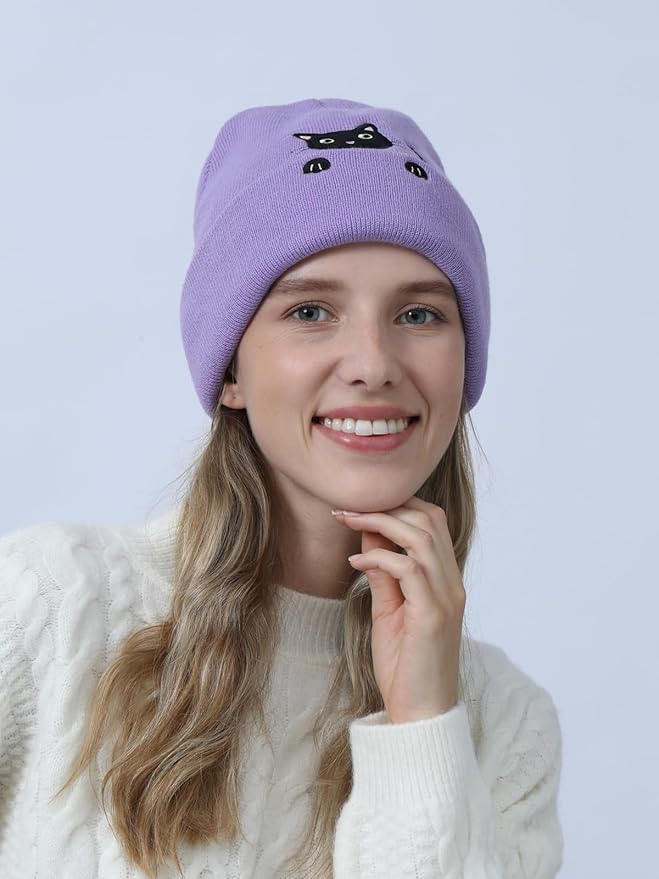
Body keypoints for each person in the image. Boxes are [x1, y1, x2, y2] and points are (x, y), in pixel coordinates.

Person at [0, 98, 564, 878]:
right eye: (309, 310)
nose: (372, 364)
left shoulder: (506, 724)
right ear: (230, 368)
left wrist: (422, 726)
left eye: (418, 314)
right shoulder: (51, 605)